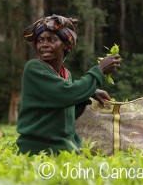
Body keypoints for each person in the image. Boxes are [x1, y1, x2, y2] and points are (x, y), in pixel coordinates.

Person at [16, 14, 121, 156]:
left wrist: (86, 95)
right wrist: (99, 70)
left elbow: (64, 107)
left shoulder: (66, 75)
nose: (44, 44)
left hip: (66, 149)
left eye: (51, 40)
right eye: (40, 40)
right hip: (38, 150)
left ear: (66, 45)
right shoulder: (34, 68)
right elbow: (66, 94)